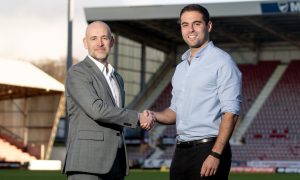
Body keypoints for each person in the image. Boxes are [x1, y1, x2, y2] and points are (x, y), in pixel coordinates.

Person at [148, 4, 242, 180]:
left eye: (196, 23)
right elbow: (174, 112)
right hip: (181, 151)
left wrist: (215, 154)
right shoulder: (181, 68)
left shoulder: (222, 62)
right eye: (185, 24)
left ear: (209, 26)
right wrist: (152, 115)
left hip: (209, 149)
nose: (190, 29)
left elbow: (231, 113)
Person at [63, 21, 154, 180]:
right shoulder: (77, 73)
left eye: (104, 38)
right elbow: (97, 110)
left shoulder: (117, 78)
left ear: (112, 41)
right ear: (85, 43)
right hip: (87, 164)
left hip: (115, 163)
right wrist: (138, 117)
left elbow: (116, 116)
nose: (99, 43)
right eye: (94, 38)